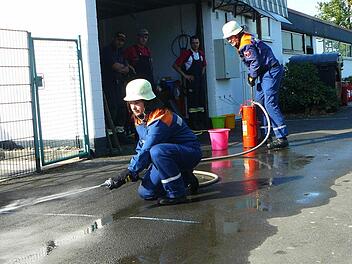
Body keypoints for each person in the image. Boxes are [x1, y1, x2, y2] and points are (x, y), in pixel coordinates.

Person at [104, 79, 202, 205]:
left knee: (157, 151)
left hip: (189, 153)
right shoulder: (140, 118)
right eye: (131, 103)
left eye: (137, 102)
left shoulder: (161, 117)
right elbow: (141, 146)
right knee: (146, 193)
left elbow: (148, 147)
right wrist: (131, 171)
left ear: (147, 101)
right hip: (168, 155)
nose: (133, 107)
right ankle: (185, 177)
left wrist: (129, 172)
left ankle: (177, 194)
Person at [222, 20, 289, 149]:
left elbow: (255, 63)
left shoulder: (246, 44)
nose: (229, 41)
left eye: (230, 38)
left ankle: (281, 137)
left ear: (236, 35)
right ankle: (265, 136)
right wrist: (252, 75)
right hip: (264, 73)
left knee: (269, 103)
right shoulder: (244, 41)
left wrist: (252, 76)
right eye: (228, 39)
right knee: (259, 103)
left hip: (271, 71)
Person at [100, 32, 131, 143]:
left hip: (120, 83)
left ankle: (120, 135)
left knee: (122, 107)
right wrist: (121, 67)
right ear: (114, 39)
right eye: (118, 39)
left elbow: (127, 68)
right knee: (112, 107)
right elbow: (114, 66)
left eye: (122, 40)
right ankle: (111, 137)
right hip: (110, 84)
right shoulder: (107, 51)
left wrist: (121, 68)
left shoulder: (121, 52)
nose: (120, 42)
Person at [172, 35, 207, 130]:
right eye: (193, 43)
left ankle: (201, 123)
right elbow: (175, 65)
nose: (195, 45)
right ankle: (193, 124)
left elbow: (204, 65)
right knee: (192, 103)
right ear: (190, 44)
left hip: (200, 82)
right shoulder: (186, 54)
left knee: (201, 102)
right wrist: (185, 76)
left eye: (197, 43)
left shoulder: (201, 54)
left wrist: (201, 74)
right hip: (191, 83)